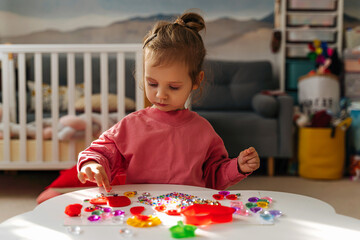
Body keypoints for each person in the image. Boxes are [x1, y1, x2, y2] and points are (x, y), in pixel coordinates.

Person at [77, 12, 260, 192]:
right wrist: (93, 164)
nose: (161, 95)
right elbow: (101, 152)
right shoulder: (131, 125)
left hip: (189, 212)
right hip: (144, 213)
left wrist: (237, 166)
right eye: (153, 83)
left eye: (173, 87)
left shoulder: (203, 131)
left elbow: (214, 176)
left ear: (196, 80)